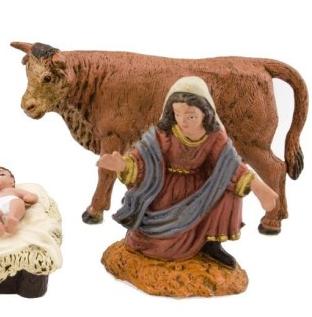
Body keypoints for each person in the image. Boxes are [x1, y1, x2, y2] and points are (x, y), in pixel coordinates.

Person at [97, 76, 278, 268]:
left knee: (227, 186)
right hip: (166, 195)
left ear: (205, 114)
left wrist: (259, 188)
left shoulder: (215, 138)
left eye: (191, 116)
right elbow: (142, 159)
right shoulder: (163, 136)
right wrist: (123, 165)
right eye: (177, 114)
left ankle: (211, 243)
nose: (183, 121)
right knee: (159, 247)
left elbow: (231, 165)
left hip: (203, 194)